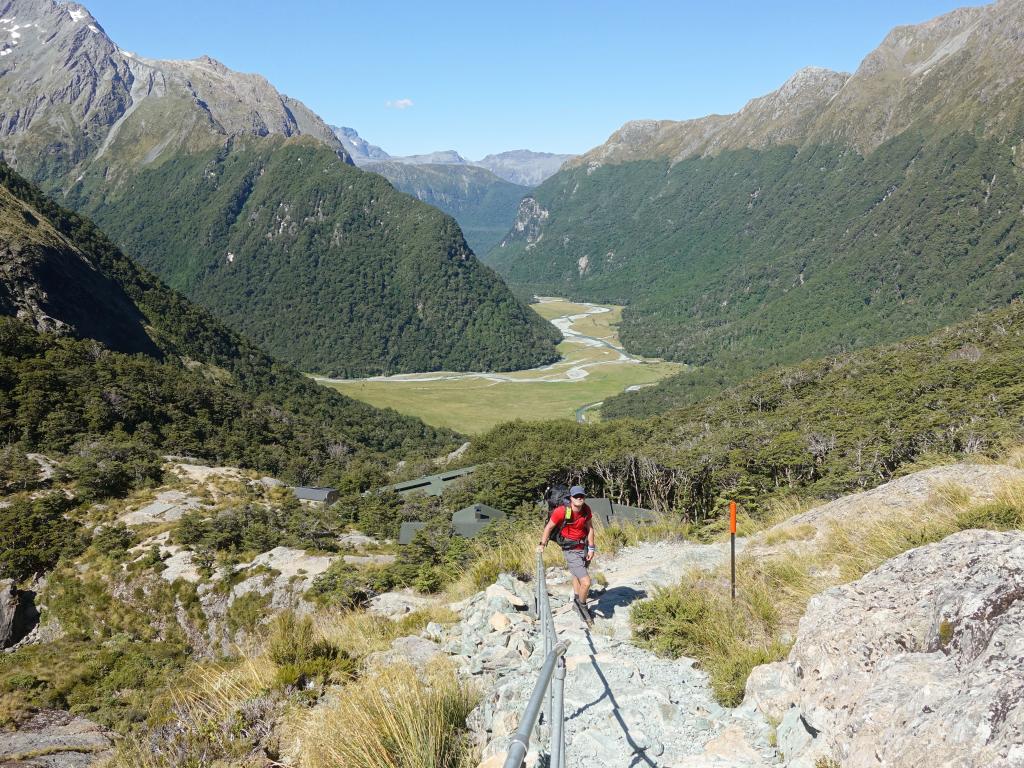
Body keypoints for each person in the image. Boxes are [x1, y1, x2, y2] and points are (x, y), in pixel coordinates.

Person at [537, 484, 596, 614]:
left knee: (577, 574)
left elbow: (590, 528)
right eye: (576, 496)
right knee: (586, 582)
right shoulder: (562, 511)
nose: (579, 498)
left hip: (584, 546)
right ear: (571, 497)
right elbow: (549, 527)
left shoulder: (586, 509)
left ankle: (576, 598)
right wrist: (542, 544)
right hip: (570, 549)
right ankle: (582, 606)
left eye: (582, 496)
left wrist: (591, 548)